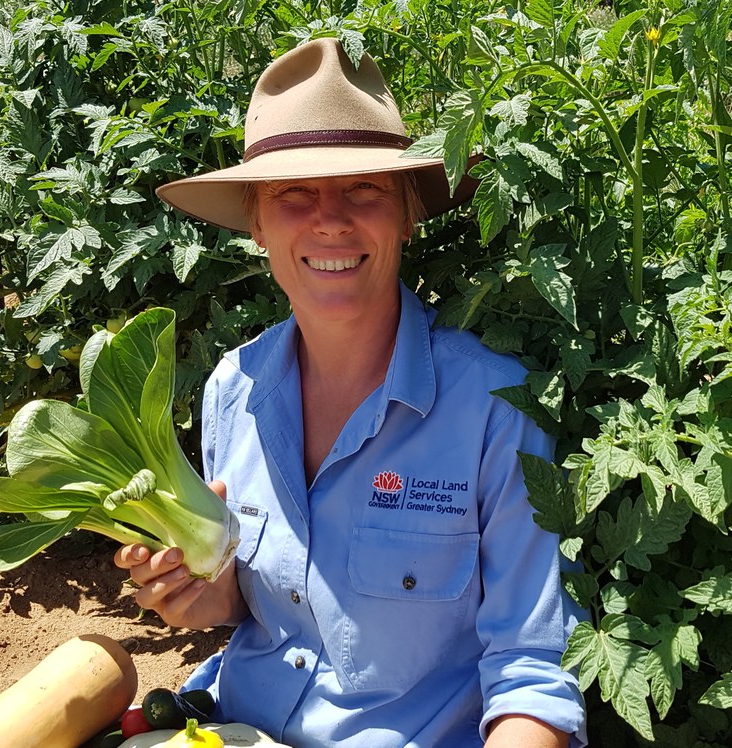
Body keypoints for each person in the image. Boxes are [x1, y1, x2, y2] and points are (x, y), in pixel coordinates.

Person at [114, 37, 587, 748]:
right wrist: (200, 593)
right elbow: (261, 605)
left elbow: (533, 667)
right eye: (293, 194)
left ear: (406, 213)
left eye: (363, 188)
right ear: (258, 225)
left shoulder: (496, 406)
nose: (330, 219)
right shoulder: (231, 390)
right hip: (230, 728)